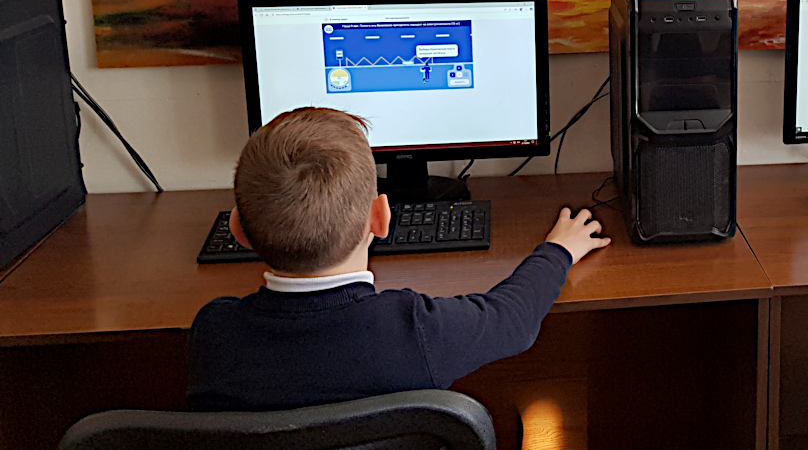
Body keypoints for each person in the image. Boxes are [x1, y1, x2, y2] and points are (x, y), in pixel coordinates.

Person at [186, 107, 610, 411]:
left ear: (237, 229)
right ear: (381, 218)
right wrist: (559, 250)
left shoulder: (213, 333)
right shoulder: (415, 330)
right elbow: (513, 319)